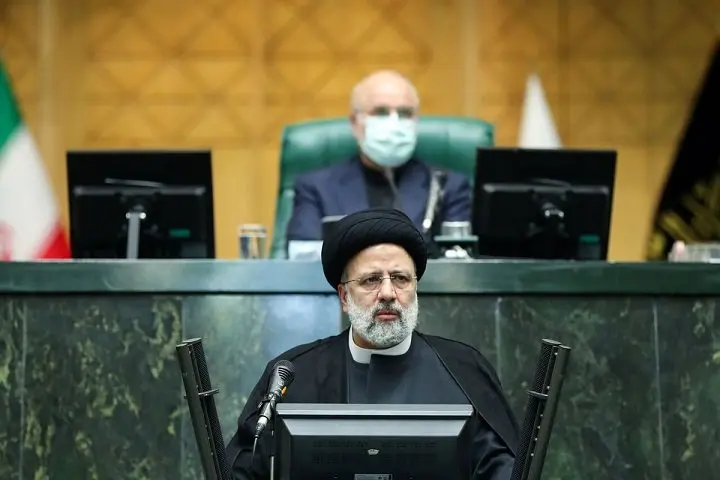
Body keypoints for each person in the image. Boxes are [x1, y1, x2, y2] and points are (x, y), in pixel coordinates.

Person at [226, 208, 519, 479]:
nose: (388, 293)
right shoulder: (293, 376)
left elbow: (501, 469)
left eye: (401, 278)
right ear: (344, 297)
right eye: (371, 280)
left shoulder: (463, 370)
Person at [285, 70, 472, 242]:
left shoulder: (449, 186)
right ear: (354, 122)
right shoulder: (316, 187)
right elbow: (303, 258)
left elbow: (460, 259)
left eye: (405, 113)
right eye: (380, 112)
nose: (394, 123)